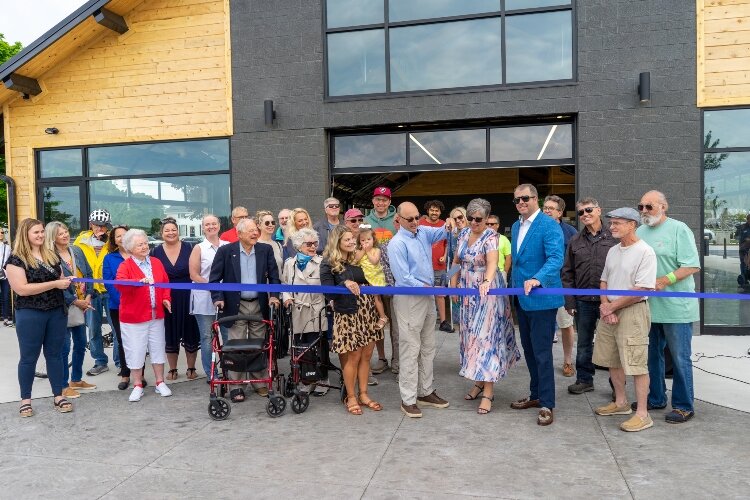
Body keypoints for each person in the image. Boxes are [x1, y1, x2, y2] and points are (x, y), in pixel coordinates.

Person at [449, 199, 520, 415]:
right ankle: (479, 382)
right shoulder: (462, 234)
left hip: (486, 292)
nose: (473, 222)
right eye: (469, 218)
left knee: (487, 339)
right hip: (467, 291)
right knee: (471, 337)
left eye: (478, 219)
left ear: (487, 218)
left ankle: (488, 392)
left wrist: (487, 282)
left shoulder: (491, 237)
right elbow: (456, 261)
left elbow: (492, 263)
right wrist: (452, 284)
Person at [636, 190, 701, 423]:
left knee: (680, 358)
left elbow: (692, 265)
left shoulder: (679, 229)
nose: (644, 211)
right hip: (649, 307)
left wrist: (664, 281)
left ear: (664, 207)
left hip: (676, 307)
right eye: (641, 206)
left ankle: (684, 405)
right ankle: (655, 398)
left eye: (649, 207)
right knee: (652, 356)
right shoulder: (640, 231)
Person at [592, 207, 657, 432]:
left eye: (617, 223)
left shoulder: (645, 252)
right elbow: (604, 281)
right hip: (610, 311)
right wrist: (605, 306)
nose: (612, 227)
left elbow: (642, 289)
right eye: (611, 223)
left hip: (633, 312)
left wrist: (611, 306)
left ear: (632, 225)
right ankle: (620, 403)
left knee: (637, 362)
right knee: (612, 359)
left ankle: (643, 414)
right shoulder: (613, 250)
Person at [6, 218, 75, 416]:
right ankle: (25, 399)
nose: (41, 235)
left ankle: (58, 395)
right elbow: (22, 289)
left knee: (55, 355)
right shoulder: (16, 259)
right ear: (25, 235)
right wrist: (55, 284)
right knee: (29, 357)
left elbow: (59, 278)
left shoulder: (51, 255)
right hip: (30, 313)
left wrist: (64, 281)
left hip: (56, 311)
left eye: (42, 231)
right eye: (36, 232)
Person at [389, 202, 452, 418]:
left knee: (428, 345)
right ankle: (408, 399)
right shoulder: (396, 243)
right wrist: (427, 287)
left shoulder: (423, 231)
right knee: (410, 348)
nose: (416, 222)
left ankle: (425, 391)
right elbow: (403, 277)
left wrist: (453, 219)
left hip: (427, 297)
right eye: (410, 219)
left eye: (417, 217)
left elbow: (444, 231)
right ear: (399, 220)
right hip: (410, 298)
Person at [509, 184, 564, 426]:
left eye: (524, 198)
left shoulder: (549, 225)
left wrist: (538, 278)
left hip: (542, 299)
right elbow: (518, 262)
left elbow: (556, 258)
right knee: (530, 351)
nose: (520, 202)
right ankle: (535, 394)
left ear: (535, 199)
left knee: (542, 354)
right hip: (521, 299)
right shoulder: (515, 225)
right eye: (516, 200)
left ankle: (547, 404)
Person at [210, 218, 281, 401]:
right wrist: (218, 299)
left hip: (259, 304)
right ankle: (236, 386)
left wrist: (274, 296)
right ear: (239, 234)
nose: (255, 233)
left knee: (258, 344)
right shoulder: (226, 251)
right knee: (236, 346)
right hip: (236, 304)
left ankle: (260, 382)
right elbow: (214, 279)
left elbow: (274, 277)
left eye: (256, 230)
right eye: (250, 231)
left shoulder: (265, 250)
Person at [320, 226, 383, 415]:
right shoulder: (328, 262)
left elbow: (372, 276)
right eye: (346, 239)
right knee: (353, 357)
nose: (351, 242)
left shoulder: (358, 257)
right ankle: (351, 396)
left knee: (366, 355)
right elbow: (326, 290)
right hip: (348, 314)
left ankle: (363, 394)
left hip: (367, 311)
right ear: (337, 241)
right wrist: (344, 283)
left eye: (352, 239)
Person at [561, 197, 618, 395]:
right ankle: (584, 380)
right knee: (584, 343)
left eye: (588, 210)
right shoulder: (575, 240)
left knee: (612, 344)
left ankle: (617, 385)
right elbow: (567, 272)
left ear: (599, 210)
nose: (585, 215)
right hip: (583, 302)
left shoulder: (614, 237)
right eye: (581, 212)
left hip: (610, 302)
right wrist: (569, 300)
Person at [116, 229, 173, 402]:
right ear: (130, 248)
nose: (144, 247)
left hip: (156, 316)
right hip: (134, 318)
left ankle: (160, 382)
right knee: (135, 351)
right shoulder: (125, 266)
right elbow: (120, 285)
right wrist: (137, 282)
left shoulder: (156, 262)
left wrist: (165, 299)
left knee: (157, 348)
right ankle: (138, 385)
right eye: (140, 244)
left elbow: (165, 283)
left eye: (145, 243)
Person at [45, 221, 97, 400]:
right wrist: (75, 301)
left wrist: (88, 296)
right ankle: (63, 385)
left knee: (81, 344)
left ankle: (76, 379)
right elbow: (54, 285)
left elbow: (89, 274)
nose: (65, 235)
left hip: (82, 304)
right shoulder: (49, 257)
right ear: (52, 237)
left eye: (66, 231)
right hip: (63, 307)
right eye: (60, 233)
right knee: (64, 347)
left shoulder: (77, 250)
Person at [282, 227, 330, 395]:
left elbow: (328, 286)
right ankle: (306, 379)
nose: (312, 247)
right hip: (298, 310)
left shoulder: (322, 262)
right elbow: (285, 285)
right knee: (301, 347)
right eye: (308, 244)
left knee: (319, 346)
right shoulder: (290, 263)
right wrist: (286, 298)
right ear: (298, 246)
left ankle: (323, 379)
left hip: (316, 309)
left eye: (314, 243)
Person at [151, 218, 200, 381]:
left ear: (178, 231)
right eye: (167, 230)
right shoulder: (155, 252)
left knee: (190, 330)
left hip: (188, 295)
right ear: (161, 233)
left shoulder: (190, 248)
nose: (171, 233)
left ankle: (191, 367)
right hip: (166, 296)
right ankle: (172, 368)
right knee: (170, 332)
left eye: (174, 229)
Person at [103, 225, 147, 391]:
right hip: (118, 305)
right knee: (123, 340)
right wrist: (122, 300)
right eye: (118, 236)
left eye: (124, 234)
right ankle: (125, 374)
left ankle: (140, 374)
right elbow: (109, 282)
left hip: (140, 304)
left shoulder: (141, 256)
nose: (121, 238)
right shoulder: (110, 258)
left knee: (140, 340)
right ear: (114, 240)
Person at [74, 209, 114, 376]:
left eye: (103, 226)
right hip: (91, 291)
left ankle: (120, 361)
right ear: (91, 225)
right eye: (97, 225)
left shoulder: (113, 240)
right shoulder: (81, 241)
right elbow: (77, 265)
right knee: (93, 329)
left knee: (116, 327)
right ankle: (100, 361)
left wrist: (109, 242)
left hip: (111, 289)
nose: (100, 229)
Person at [189, 214, 229, 378]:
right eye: (207, 224)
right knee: (207, 337)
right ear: (203, 228)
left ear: (219, 226)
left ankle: (229, 370)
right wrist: (213, 288)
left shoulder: (228, 246)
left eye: (214, 223)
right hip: (204, 298)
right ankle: (211, 373)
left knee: (227, 336)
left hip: (226, 299)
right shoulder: (199, 248)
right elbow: (194, 275)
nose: (211, 226)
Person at [543, 195, 578, 377]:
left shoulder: (570, 232)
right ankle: (545, 361)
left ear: (560, 212)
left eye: (551, 208)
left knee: (566, 324)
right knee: (545, 325)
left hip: (563, 285)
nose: (547, 210)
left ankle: (567, 361)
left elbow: (576, 259)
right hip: (542, 286)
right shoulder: (536, 228)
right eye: (545, 207)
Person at [419, 200, 452, 333]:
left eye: (437, 210)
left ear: (440, 212)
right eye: (432, 210)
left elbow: (447, 243)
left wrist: (445, 255)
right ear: (428, 210)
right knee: (424, 295)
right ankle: (424, 321)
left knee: (440, 294)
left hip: (440, 265)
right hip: (424, 267)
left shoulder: (444, 224)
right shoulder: (420, 224)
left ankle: (443, 321)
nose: (434, 212)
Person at [355, 228, 389, 329]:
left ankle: (383, 316)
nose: (366, 242)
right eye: (363, 240)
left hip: (375, 277)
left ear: (373, 239)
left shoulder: (376, 250)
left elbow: (374, 261)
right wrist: (363, 251)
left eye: (368, 239)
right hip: (364, 279)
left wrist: (368, 251)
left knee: (376, 297)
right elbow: (356, 260)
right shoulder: (359, 251)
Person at [447, 206, 468, 330]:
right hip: (456, 277)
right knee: (460, 320)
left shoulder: (474, 233)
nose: (458, 220)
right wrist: (451, 284)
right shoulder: (453, 236)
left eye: (460, 217)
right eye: (455, 219)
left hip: (472, 279)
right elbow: (453, 261)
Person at [486, 214, 511, 279]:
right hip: (483, 273)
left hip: (499, 273)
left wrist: (504, 273)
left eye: (492, 224)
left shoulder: (504, 239)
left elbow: (508, 257)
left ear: (497, 225)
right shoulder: (480, 239)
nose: (489, 226)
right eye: (487, 224)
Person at [0, 227, 13, 326]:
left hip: (5, 274)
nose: (1, 234)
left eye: (2, 232)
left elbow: (9, 260)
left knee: (6, 296)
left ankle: (5, 317)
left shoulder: (7, 247)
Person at [736, 214, 750, 287]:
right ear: (747, 219)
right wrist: (746, 240)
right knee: (743, 263)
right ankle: (744, 279)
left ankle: (747, 277)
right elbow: (739, 237)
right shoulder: (743, 227)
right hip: (743, 249)